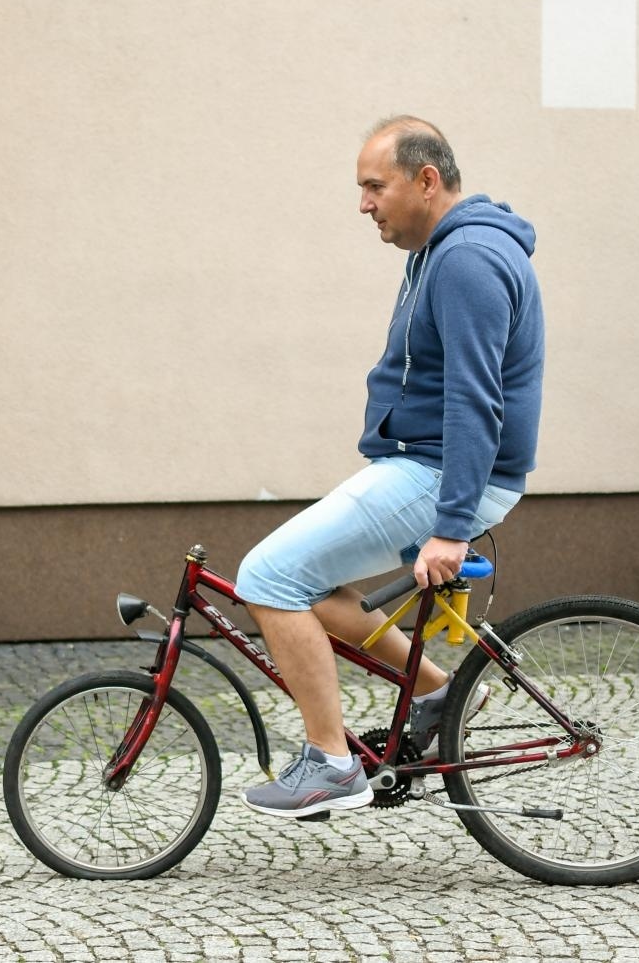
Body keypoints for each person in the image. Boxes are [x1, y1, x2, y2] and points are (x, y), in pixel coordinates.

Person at [238, 115, 545, 819]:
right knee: (307, 588)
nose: (364, 203)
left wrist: (451, 525)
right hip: (423, 466)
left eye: (375, 185)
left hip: (441, 476)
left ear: (426, 180)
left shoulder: (466, 260)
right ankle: (439, 691)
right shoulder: (438, 251)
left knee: (266, 575)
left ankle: (332, 764)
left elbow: (475, 398)